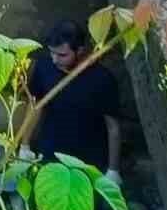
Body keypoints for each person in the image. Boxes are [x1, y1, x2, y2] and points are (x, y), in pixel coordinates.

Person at [24, 20, 122, 182]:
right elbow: (34, 105)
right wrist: (25, 144)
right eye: (52, 53)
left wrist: (113, 169)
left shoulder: (102, 79)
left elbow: (113, 126)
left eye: (62, 55)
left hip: (88, 160)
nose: (55, 60)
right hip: (50, 152)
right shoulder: (44, 67)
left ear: (80, 50)